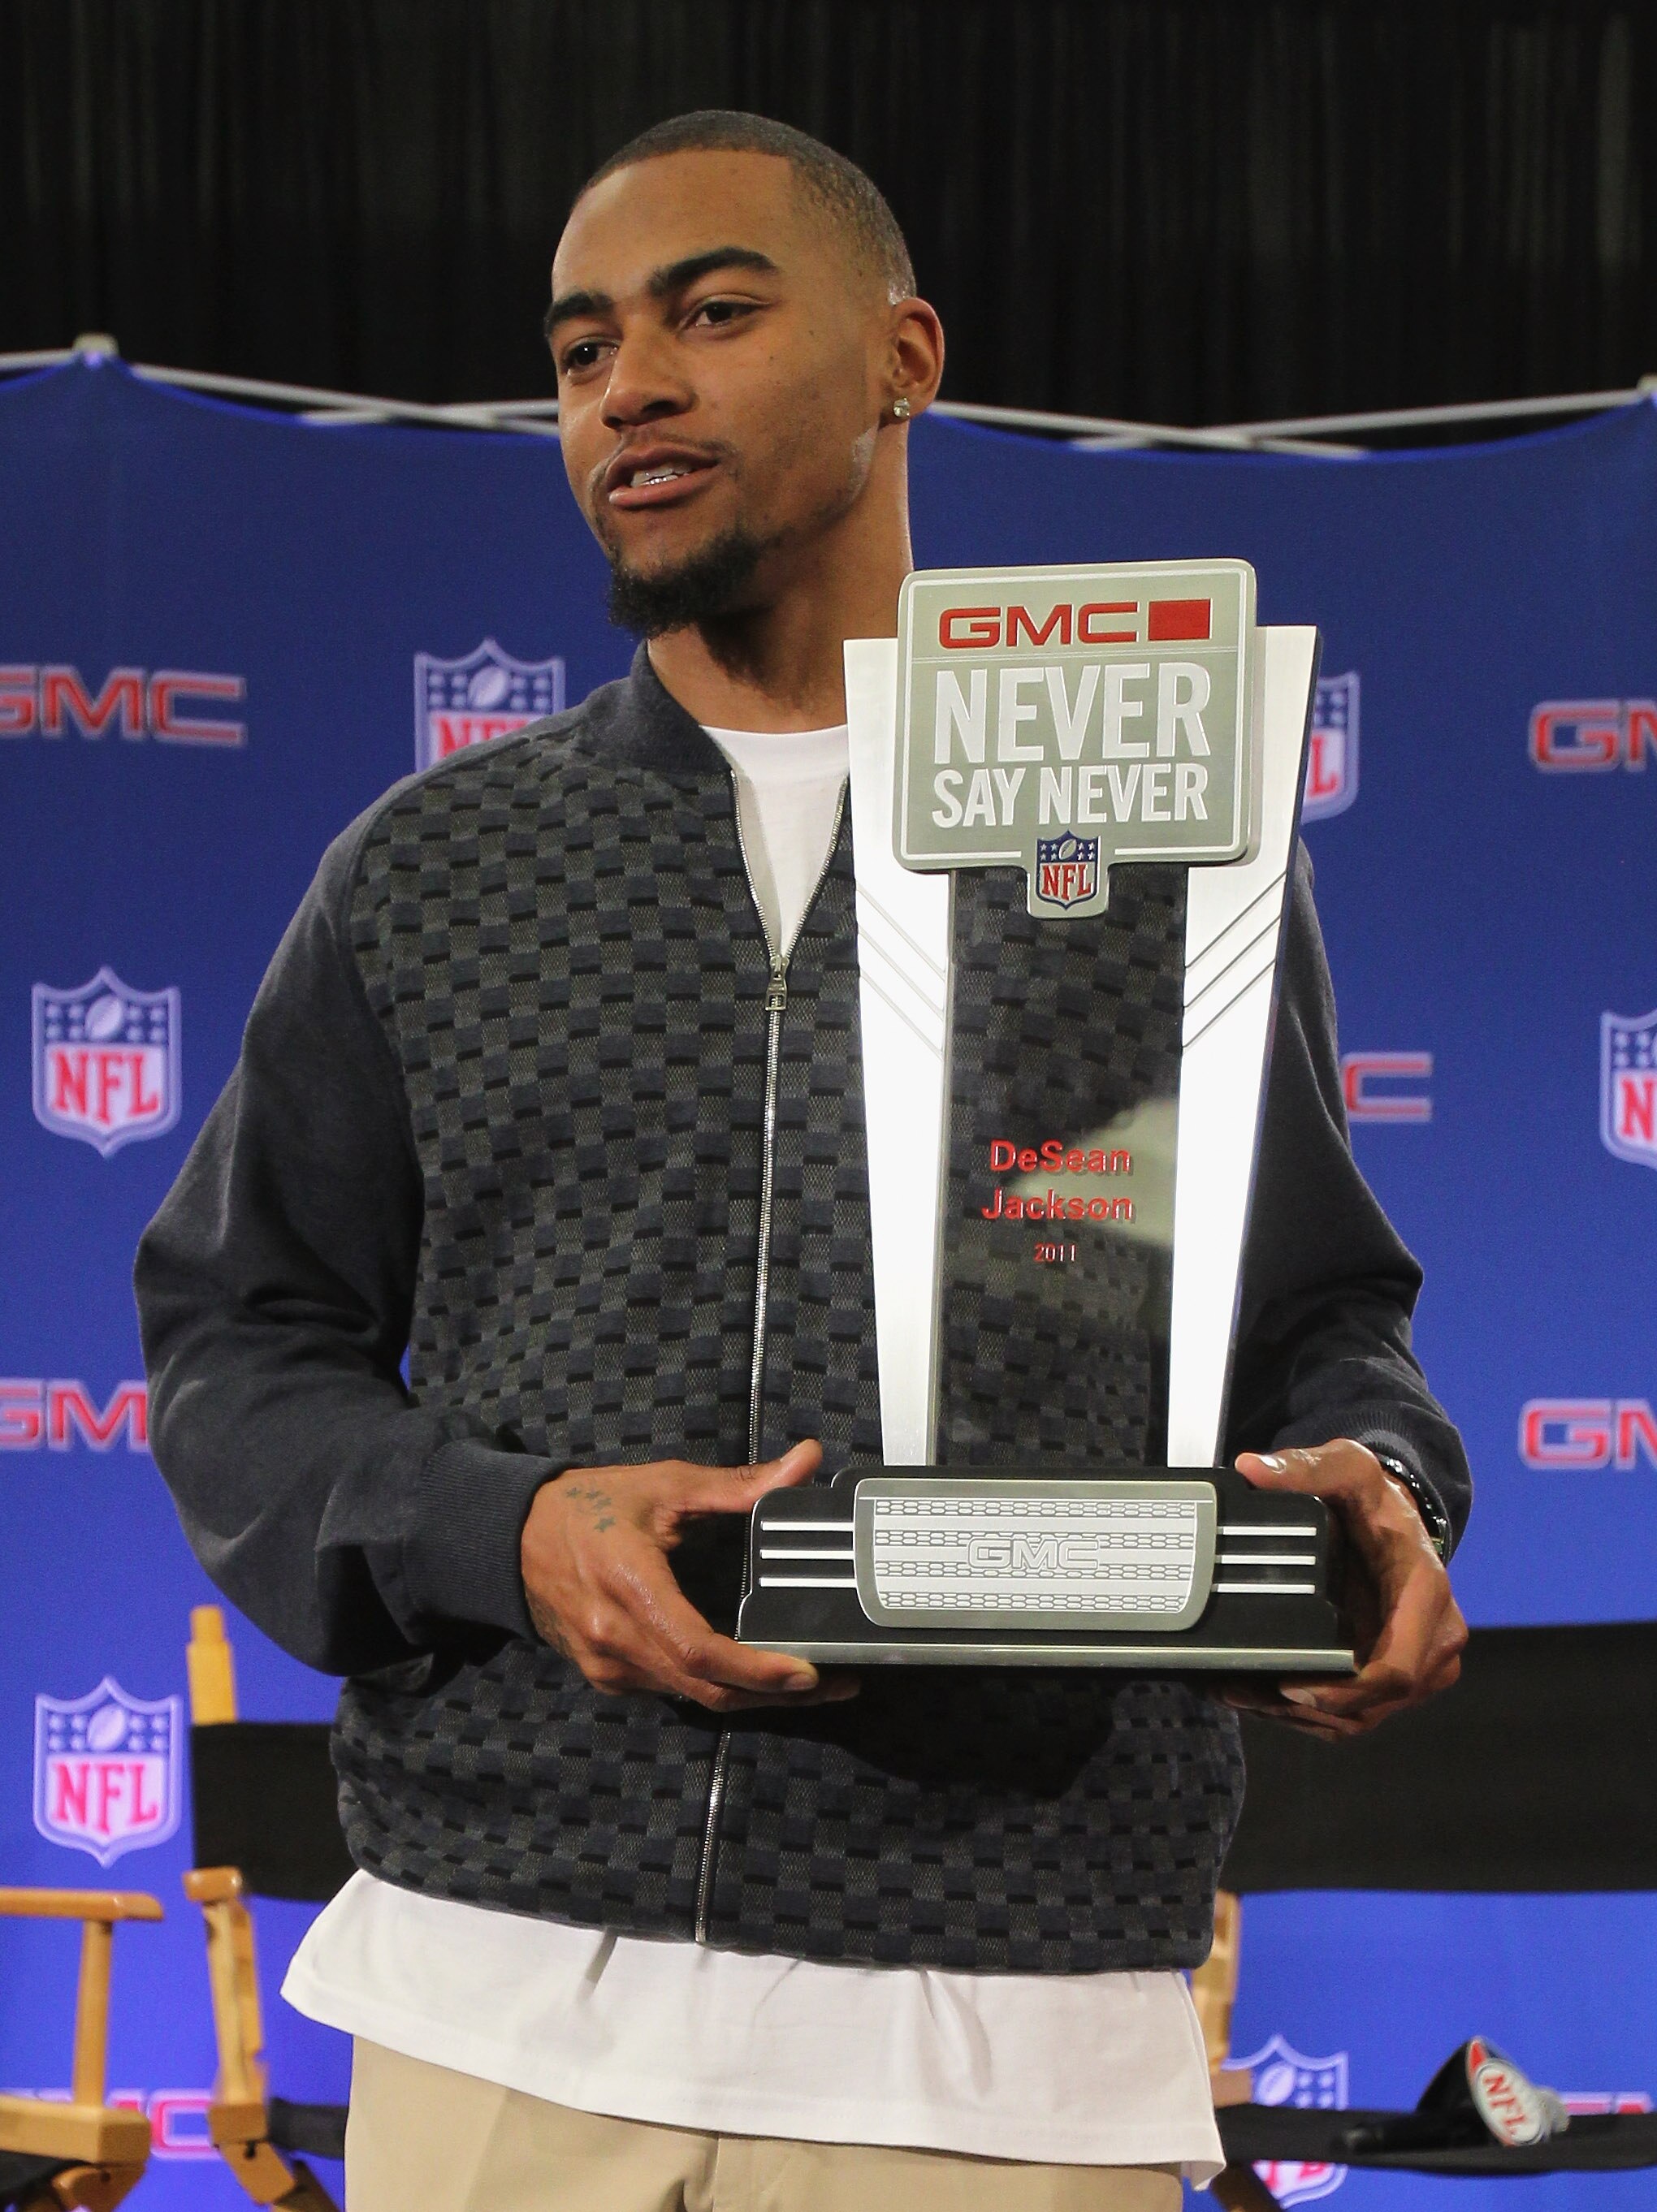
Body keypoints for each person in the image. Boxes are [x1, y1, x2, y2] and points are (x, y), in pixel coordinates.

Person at [136, 110, 1470, 2212]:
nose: (628, 385)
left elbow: (1314, 1328)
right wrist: (503, 1526)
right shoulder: (435, 872)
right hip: (499, 2008)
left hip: (1003, 2027)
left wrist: (1382, 1491)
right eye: (580, 350)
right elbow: (242, 1349)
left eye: (713, 310)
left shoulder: (1148, 840)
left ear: (905, 353)